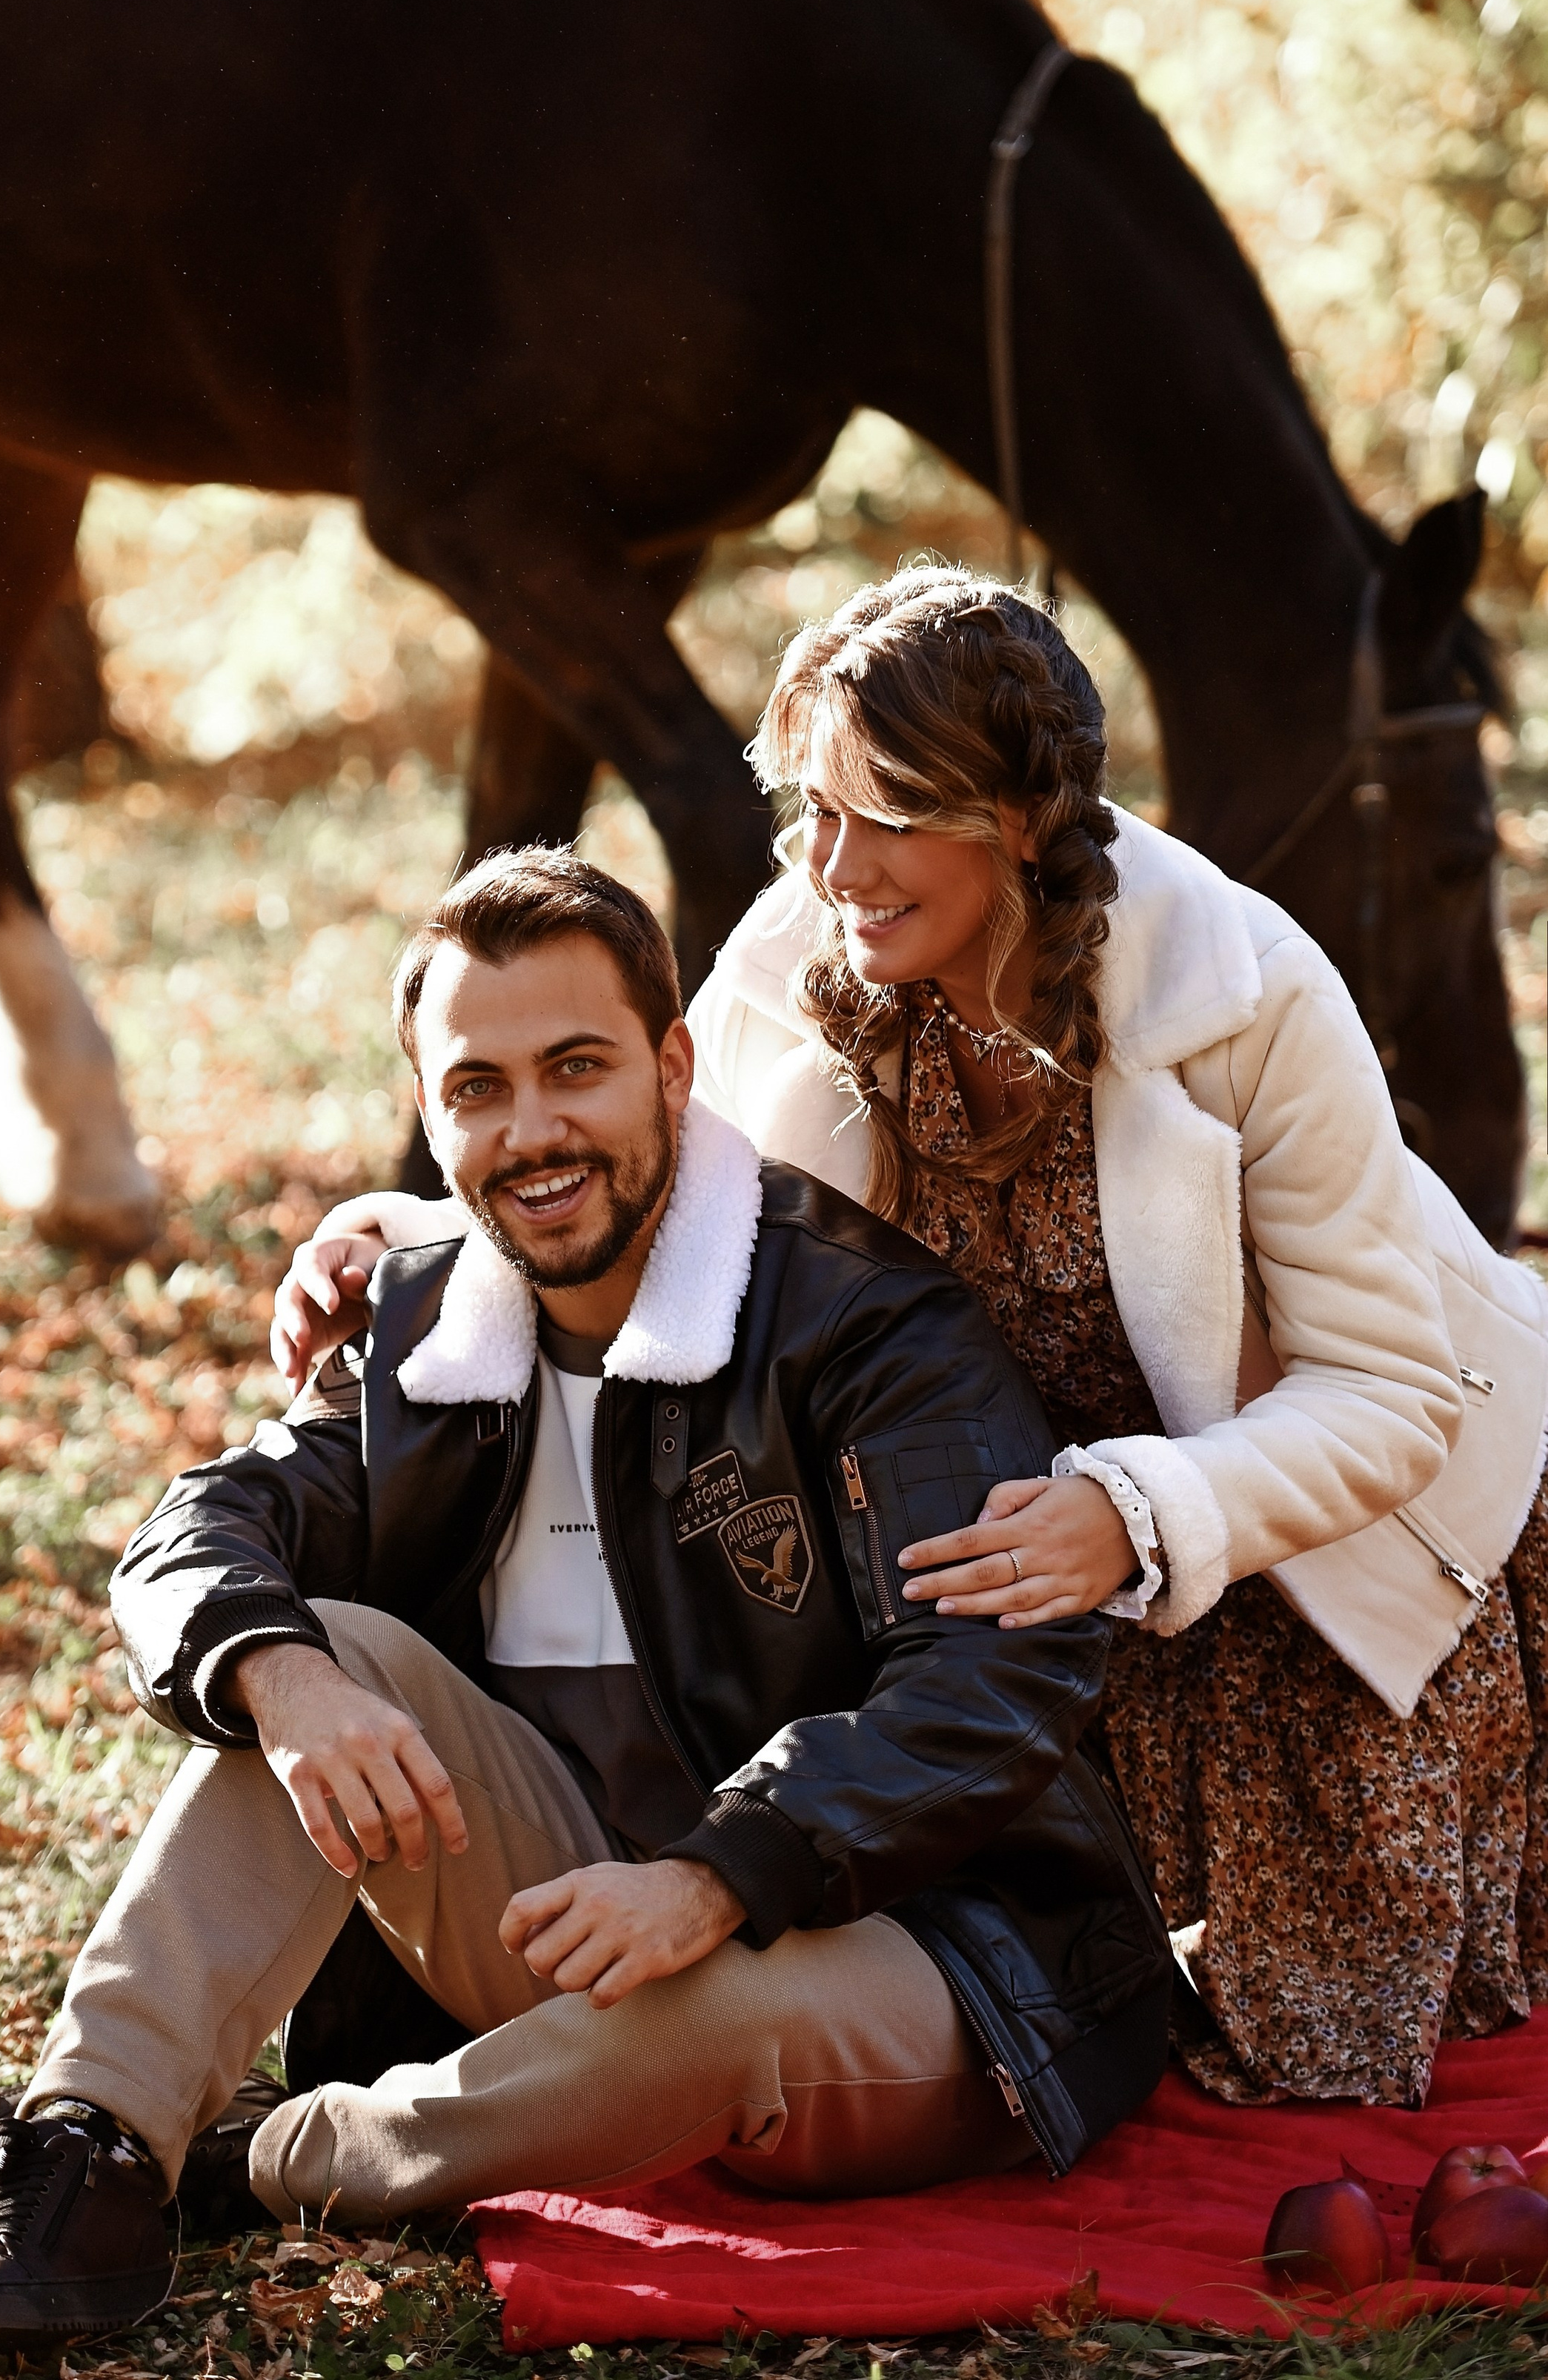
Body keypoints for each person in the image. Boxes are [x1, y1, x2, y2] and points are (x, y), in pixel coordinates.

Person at [0, 846, 1171, 2373]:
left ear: (670, 1066)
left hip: (923, 1961)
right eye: (476, 1089)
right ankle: (87, 2157)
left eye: (575, 1069)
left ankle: (263, 2163)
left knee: (714, 2013)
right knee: (309, 1653)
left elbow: (987, 1681)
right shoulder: (431, 1332)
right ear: (430, 1117)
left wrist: (716, 1875)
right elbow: (201, 1527)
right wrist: (288, 1688)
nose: (529, 1131)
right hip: (575, 1918)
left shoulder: (865, 1328)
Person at [285, 568, 1548, 2118]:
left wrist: (1139, 1512)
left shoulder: (1251, 996)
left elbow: (1388, 1391)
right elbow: (665, 1185)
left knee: (1291, 2071)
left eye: (881, 816)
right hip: (1015, 1547)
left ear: (1015, 819)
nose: (831, 864)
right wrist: (411, 1236)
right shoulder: (814, 948)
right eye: (808, 811)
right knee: (1044, 1984)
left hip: (1309, 1521)